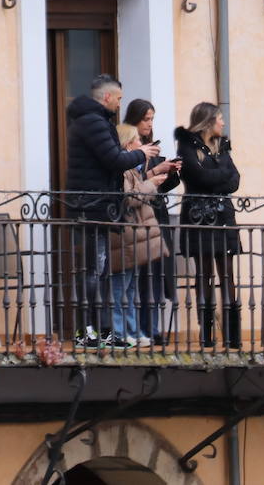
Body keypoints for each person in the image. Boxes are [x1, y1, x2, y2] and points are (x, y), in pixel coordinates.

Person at [65, 75, 159, 349]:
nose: (120, 104)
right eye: (118, 99)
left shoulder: (94, 120)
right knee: (93, 272)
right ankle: (87, 331)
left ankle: (102, 331)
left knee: (99, 270)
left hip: (98, 207)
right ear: (107, 97)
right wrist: (142, 153)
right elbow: (114, 159)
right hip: (91, 207)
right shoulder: (92, 122)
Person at [174, 102, 242, 349]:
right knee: (204, 274)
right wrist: (220, 176)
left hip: (224, 217)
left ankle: (233, 335)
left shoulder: (222, 146)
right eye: (220, 119)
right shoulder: (186, 146)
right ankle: (207, 334)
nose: (223, 123)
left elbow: (235, 180)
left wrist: (215, 179)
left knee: (228, 274)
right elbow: (196, 176)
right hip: (198, 217)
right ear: (208, 121)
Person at [123, 98, 181, 342]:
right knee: (138, 276)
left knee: (156, 273)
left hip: (156, 215)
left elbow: (159, 186)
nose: (149, 124)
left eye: (152, 119)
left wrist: (171, 172)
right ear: (135, 120)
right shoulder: (127, 150)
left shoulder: (152, 147)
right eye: (146, 119)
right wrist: (155, 171)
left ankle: (153, 328)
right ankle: (138, 330)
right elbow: (132, 184)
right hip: (136, 218)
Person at [109, 124, 170, 347]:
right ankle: (120, 332)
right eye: (136, 141)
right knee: (120, 287)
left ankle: (133, 331)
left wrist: (150, 180)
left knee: (131, 285)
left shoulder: (131, 168)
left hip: (133, 234)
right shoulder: (122, 169)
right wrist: (150, 185)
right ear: (127, 144)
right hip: (124, 234)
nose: (140, 144)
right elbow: (128, 198)